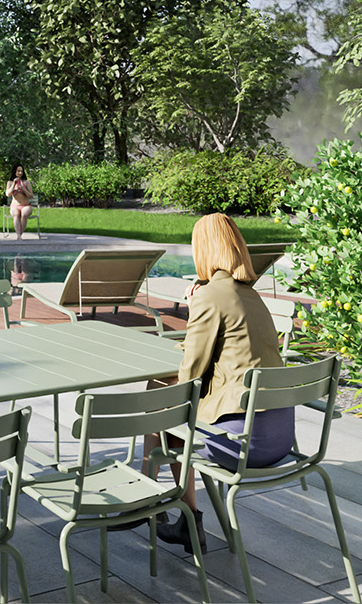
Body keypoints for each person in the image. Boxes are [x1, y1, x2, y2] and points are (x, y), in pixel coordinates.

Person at [143, 212, 292, 549]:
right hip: (280, 435)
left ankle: (156, 501)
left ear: (204, 249)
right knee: (164, 398)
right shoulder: (251, 296)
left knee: (163, 404)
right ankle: (166, 507)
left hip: (242, 444)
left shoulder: (211, 295)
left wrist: (195, 308)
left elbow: (191, 374)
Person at [5, 164, 35, 239]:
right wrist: (14, 184)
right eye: (18, 171)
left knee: (24, 214)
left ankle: (19, 235)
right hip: (15, 206)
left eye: (21, 171)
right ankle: (19, 236)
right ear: (14, 172)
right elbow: (7, 194)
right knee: (16, 215)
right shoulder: (10, 182)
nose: (20, 173)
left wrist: (23, 189)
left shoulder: (26, 182)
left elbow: (31, 196)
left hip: (26, 205)